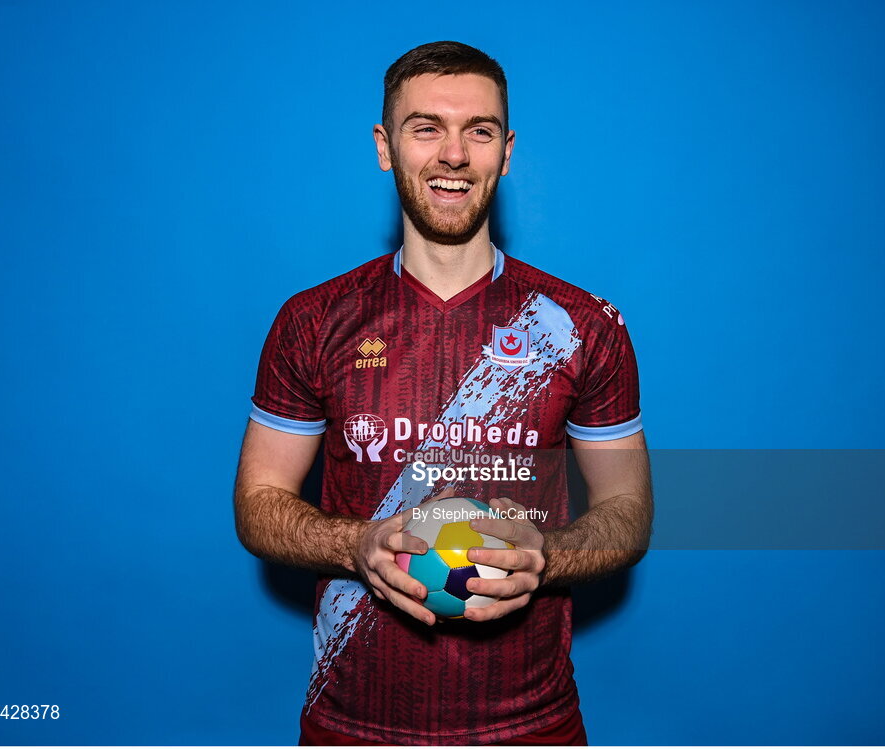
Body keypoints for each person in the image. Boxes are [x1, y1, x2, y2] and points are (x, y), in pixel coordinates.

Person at [233, 41, 652, 746]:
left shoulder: (582, 326)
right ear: (385, 147)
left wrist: (546, 555)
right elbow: (257, 504)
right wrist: (358, 543)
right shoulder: (312, 321)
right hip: (351, 726)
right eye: (426, 127)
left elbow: (628, 512)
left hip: (533, 725)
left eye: (479, 131)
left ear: (507, 151)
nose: (453, 154)